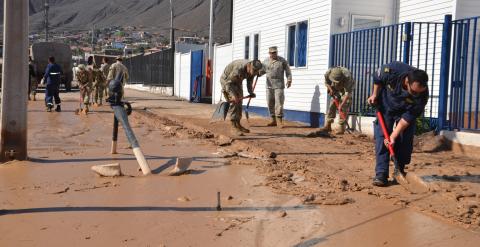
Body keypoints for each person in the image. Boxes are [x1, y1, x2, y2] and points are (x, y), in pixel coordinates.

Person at [367, 61, 429, 187]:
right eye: (414, 91)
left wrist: (393, 136)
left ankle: (399, 169)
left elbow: (407, 118)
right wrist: (374, 94)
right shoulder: (393, 70)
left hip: (405, 110)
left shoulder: (422, 95)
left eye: (419, 92)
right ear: (407, 82)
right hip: (386, 106)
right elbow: (378, 78)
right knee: (382, 139)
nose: (417, 94)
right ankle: (381, 174)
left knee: (405, 141)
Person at [220, 59, 263, 136]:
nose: (255, 73)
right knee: (234, 102)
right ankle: (233, 127)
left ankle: (238, 125)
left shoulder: (253, 71)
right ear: (249, 65)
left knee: (239, 102)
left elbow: (249, 82)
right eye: (254, 70)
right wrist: (233, 96)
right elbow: (228, 84)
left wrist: (250, 92)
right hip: (227, 81)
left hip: (237, 81)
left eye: (257, 71)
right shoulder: (238, 69)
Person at [260, 46, 292, 128]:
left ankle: (279, 121)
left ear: (277, 52)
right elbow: (261, 71)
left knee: (279, 103)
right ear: (269, 53)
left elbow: (288, 71)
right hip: (269, 85)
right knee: (269, 102)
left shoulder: (282, 61)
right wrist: (257, 72)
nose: (273, 54)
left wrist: (289, 80)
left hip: (279, 85)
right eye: (272, 53)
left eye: (275, 52)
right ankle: (273, 120)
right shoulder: (266, 61)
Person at [319, 67, 354, 134]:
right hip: (335, 88)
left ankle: (341, 127)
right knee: (332, 104)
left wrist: (341, 105)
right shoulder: (328, 73)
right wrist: (330, 89)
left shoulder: (347, 77)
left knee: (344, 105)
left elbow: (347, 93)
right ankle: (328, 125)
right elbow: (327, 83)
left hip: (345, 88)